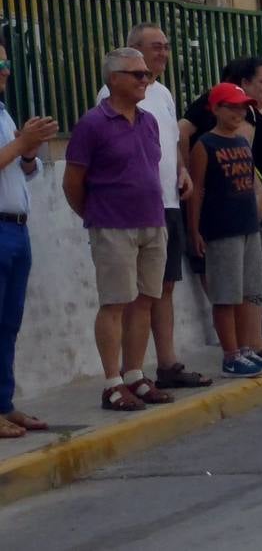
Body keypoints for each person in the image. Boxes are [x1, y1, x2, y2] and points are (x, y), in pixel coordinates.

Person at [98, 24, 211, 392]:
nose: (162, 53)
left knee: (162, 288)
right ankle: (127, 374)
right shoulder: (113, 95)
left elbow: (174, 141)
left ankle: (167, 363)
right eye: (154, 47)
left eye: (165, 47)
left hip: (167, 202)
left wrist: (182, 171)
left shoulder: (161, 94)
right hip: (129, 210)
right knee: (129, 295)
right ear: (132, 50)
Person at [64, 49, 174, 411]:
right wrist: (96, 214)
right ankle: (112, 382)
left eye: (146, 74)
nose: (145, 80)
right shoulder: (93, 124)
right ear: (114, 79)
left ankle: (134, 374)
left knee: (144, 301)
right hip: (113, 224)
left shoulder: (148, 122)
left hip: (152, 222)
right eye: (137, 74)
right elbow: (73, 182)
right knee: (114, 303)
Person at [186, 83, 262, 378]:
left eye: (241, 107)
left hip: (247, 225)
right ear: (216, 109)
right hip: (221, 228)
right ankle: (231, 354)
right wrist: (194, 230)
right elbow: (197, 190)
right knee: (226, 294)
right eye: (232, 106)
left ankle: (246, 347)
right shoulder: (205, 145)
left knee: (249, 291)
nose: (238, 112)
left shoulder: (242, 142)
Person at [0, 40, 57, 438]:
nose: (6, 71)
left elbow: (21, 173)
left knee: (9, 323)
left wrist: (28, 153)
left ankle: (4, 404)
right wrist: (20, 144)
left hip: (17, 228)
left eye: (7, 63)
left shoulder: (3, 112)